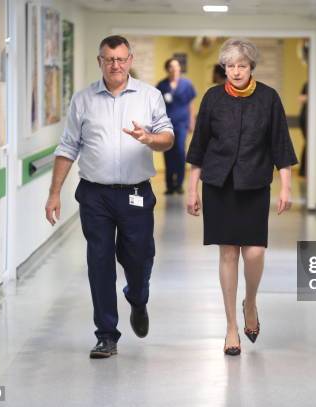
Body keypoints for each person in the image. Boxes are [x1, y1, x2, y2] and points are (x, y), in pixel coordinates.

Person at [45, 35, 174, 359]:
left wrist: (150, 138)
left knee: (139, 257)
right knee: (99, 262)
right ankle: (106, 335)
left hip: (135, 193)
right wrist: (54, 193)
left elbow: (168, 138)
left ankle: (137, 296)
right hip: (95, 194)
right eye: (108, 59)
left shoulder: (149, 96)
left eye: (121, 59)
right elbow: (68, 146)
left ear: (130, 60)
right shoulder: (83, 99)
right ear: (100, 61)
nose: (115, 65)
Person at [185, 38, 298, 356]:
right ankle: (231, 326)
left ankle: (251, 301)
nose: (235, 72)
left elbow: (281, 145)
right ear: (224, 68)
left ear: (251, 68)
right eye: (230, 66)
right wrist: (192, 188)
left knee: (254, 253)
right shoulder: (212, 98)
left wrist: (286, 187)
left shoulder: (268, 98)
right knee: (228, 255)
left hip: (254, 185)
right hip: (219, 185)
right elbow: (200, 146)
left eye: (242, 66)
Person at [156, 58, 197, 195]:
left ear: (180, 68)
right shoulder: (162, 85)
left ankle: (179, 183)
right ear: (167, 69)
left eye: (177, 66)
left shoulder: (187, 84)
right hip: (165, 124)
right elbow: (157, 106)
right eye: (171, 67)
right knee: (167, 152)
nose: (174, 69)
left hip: (182, 123)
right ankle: (169, 185)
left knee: (179, 151)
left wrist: (191, 121)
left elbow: (190, 104)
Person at [298, 82, 308, 177]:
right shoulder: (307, 85)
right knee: (308, 143)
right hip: (305, 118)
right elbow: (300, 98)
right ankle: (303, 171)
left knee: (308, 144)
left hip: (311, 119)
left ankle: (305, 170)